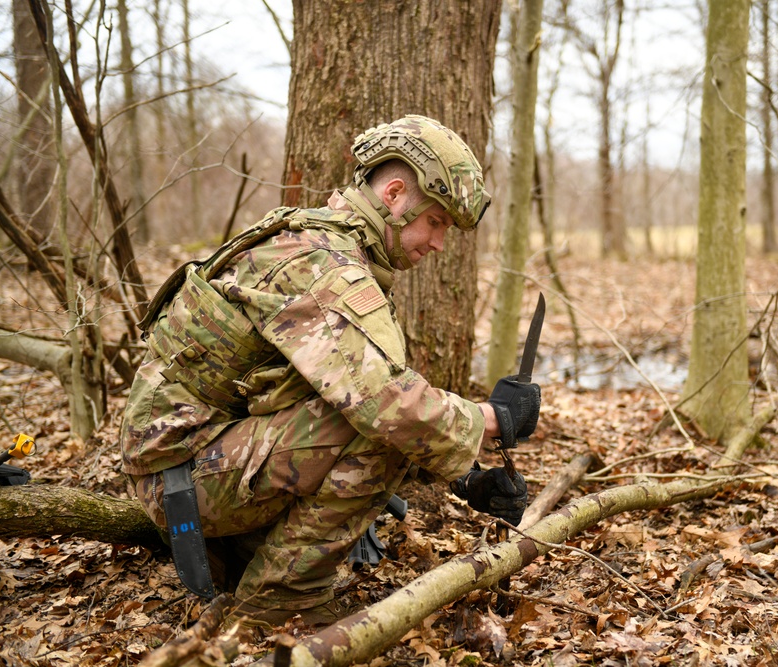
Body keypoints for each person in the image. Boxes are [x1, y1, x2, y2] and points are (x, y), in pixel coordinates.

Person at [120, 115, 541, 626]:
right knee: (380, 422)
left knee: (383, 414)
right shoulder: (326, 266)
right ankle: (277, 606)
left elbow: (351, 392)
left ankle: (251, 560)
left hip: (195, 462)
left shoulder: (321, 246)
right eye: (436, 221)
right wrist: (492, 418)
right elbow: (384, 404)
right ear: (394, 193)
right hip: (183, 482)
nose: (438, 244)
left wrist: (467, 479)